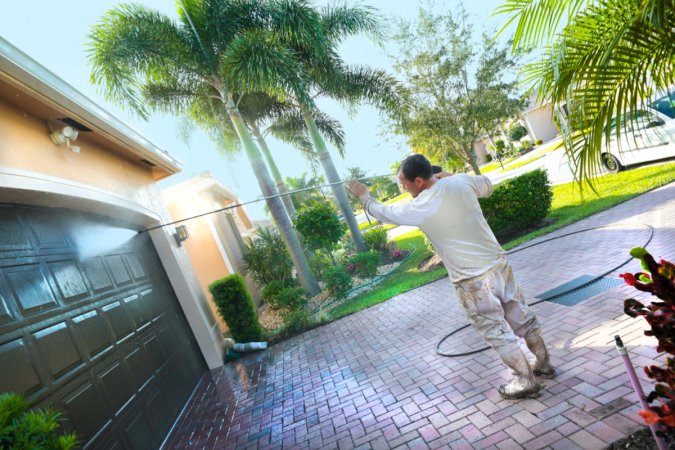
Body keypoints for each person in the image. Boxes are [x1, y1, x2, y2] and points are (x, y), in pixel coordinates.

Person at [347, 154, 555, 399]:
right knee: (521, 316)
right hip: (499, 265)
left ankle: (524, 381)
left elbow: (383, 212)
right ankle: (543, 364)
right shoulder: (461, 182)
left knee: (496, 330)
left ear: (419, 181)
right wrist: (453, 178)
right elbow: (487, 185)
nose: (403, 188)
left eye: (405, 184)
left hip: (471, 281)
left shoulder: (419, 206)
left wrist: (363, 195)